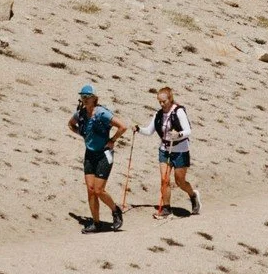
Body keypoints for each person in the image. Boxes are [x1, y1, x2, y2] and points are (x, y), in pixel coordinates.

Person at [69, 83, 129, 232]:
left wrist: (112, 140)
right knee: (90, 190)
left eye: (87, 97)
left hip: (104, 154)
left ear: (94, 98)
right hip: (89, 154)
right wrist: (82, 134)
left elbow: (123, 126)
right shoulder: (81, 114)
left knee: (99, 190)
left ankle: (115, 210)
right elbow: (70, 125)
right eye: (83, 97)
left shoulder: (102, 113)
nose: (85, 100)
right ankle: (96, 223)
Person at [140, 85, 198, 218]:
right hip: (164, 150)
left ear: (170, 99)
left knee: (180, 181)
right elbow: (149, 131)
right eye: (159, 101)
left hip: (180, 150)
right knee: (164, 180)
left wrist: (178, 134)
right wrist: (138, 129)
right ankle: (166, 208)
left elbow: (188, 131)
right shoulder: (158, 114)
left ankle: (192, 195)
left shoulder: (178, 111)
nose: (161, 104)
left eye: (164, 101)